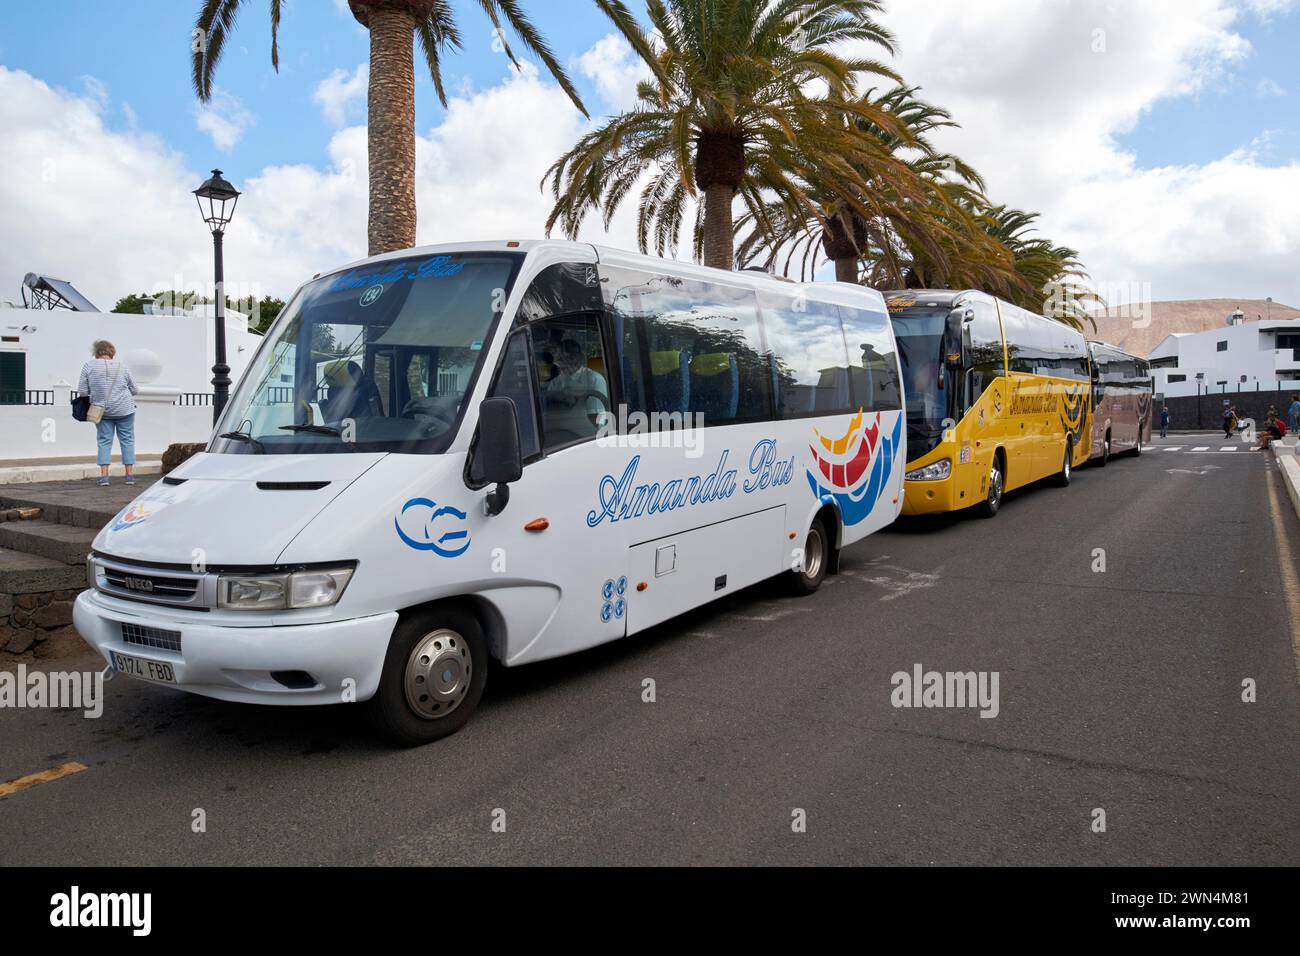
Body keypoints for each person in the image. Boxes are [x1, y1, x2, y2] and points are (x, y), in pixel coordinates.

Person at [77, 340, 139, 486]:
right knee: (127, 440)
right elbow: (135, 390)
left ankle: (104, 477)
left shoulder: (88, 366)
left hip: (102, 410)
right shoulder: (122, 367)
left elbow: (83, 391)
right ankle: (129, 476)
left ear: (96, 352)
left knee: (104, 441)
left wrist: (97, 393)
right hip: (125, 409)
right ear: (112, 352)